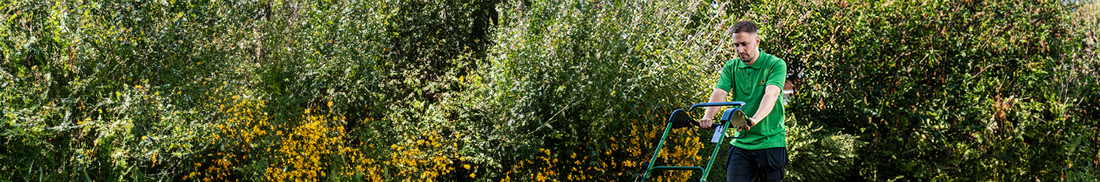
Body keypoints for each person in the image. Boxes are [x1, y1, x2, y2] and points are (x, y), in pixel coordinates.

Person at [697, 20, 788, 182]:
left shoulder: (775, 65)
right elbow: (720, 92)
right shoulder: (731, 67)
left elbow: (771, 94)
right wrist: (708, 116)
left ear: (757, 41)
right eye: (736, 45)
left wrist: (754, 120)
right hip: (741, 142)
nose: (740, 50)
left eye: (744, 44)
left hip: (770, 143)